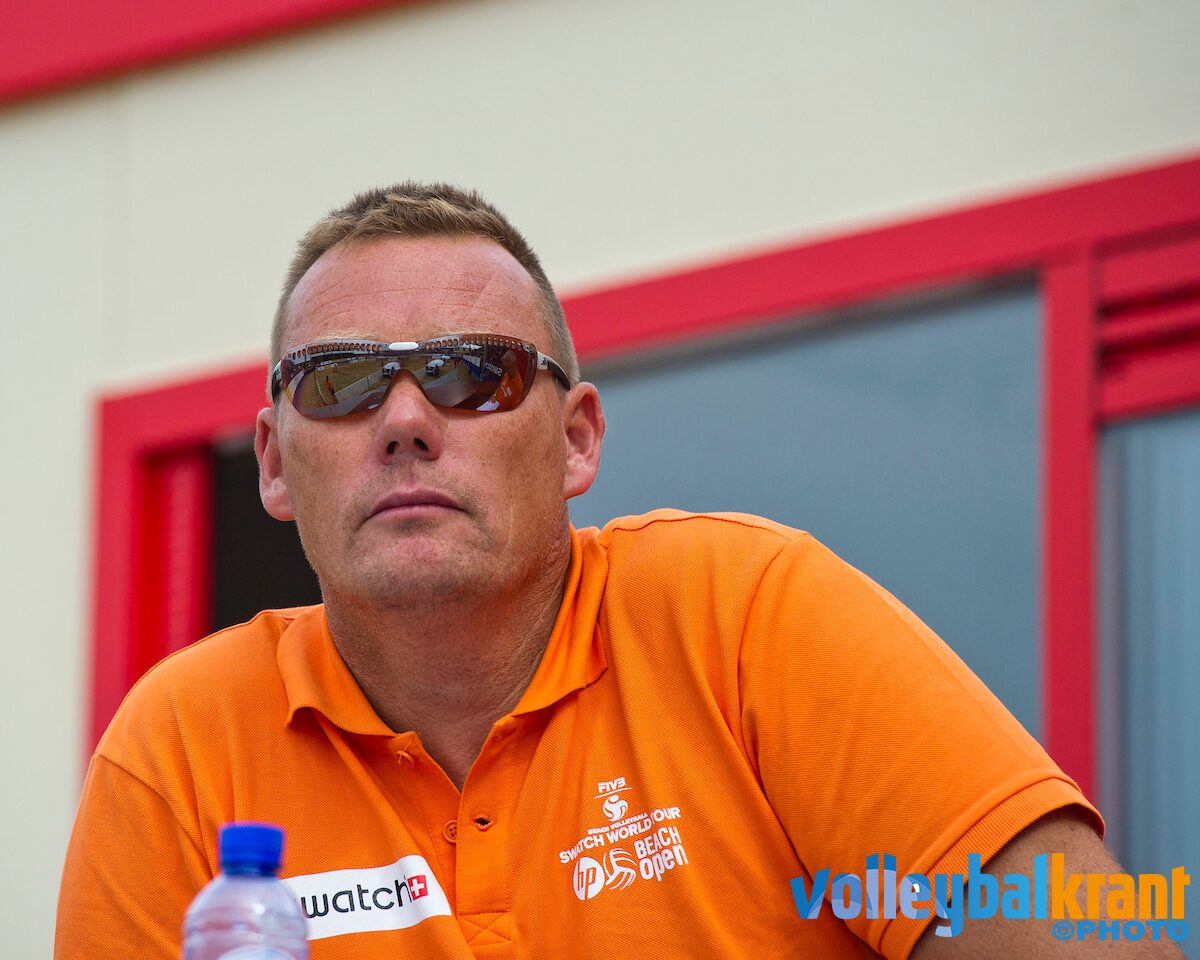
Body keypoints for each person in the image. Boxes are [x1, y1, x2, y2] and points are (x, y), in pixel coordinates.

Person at [55, 183, 1184, 959]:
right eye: (340, 383)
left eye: (472, 374)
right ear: (273, 462)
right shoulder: (181, 750)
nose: (403, 422)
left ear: (577, 441)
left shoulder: (747, 616)